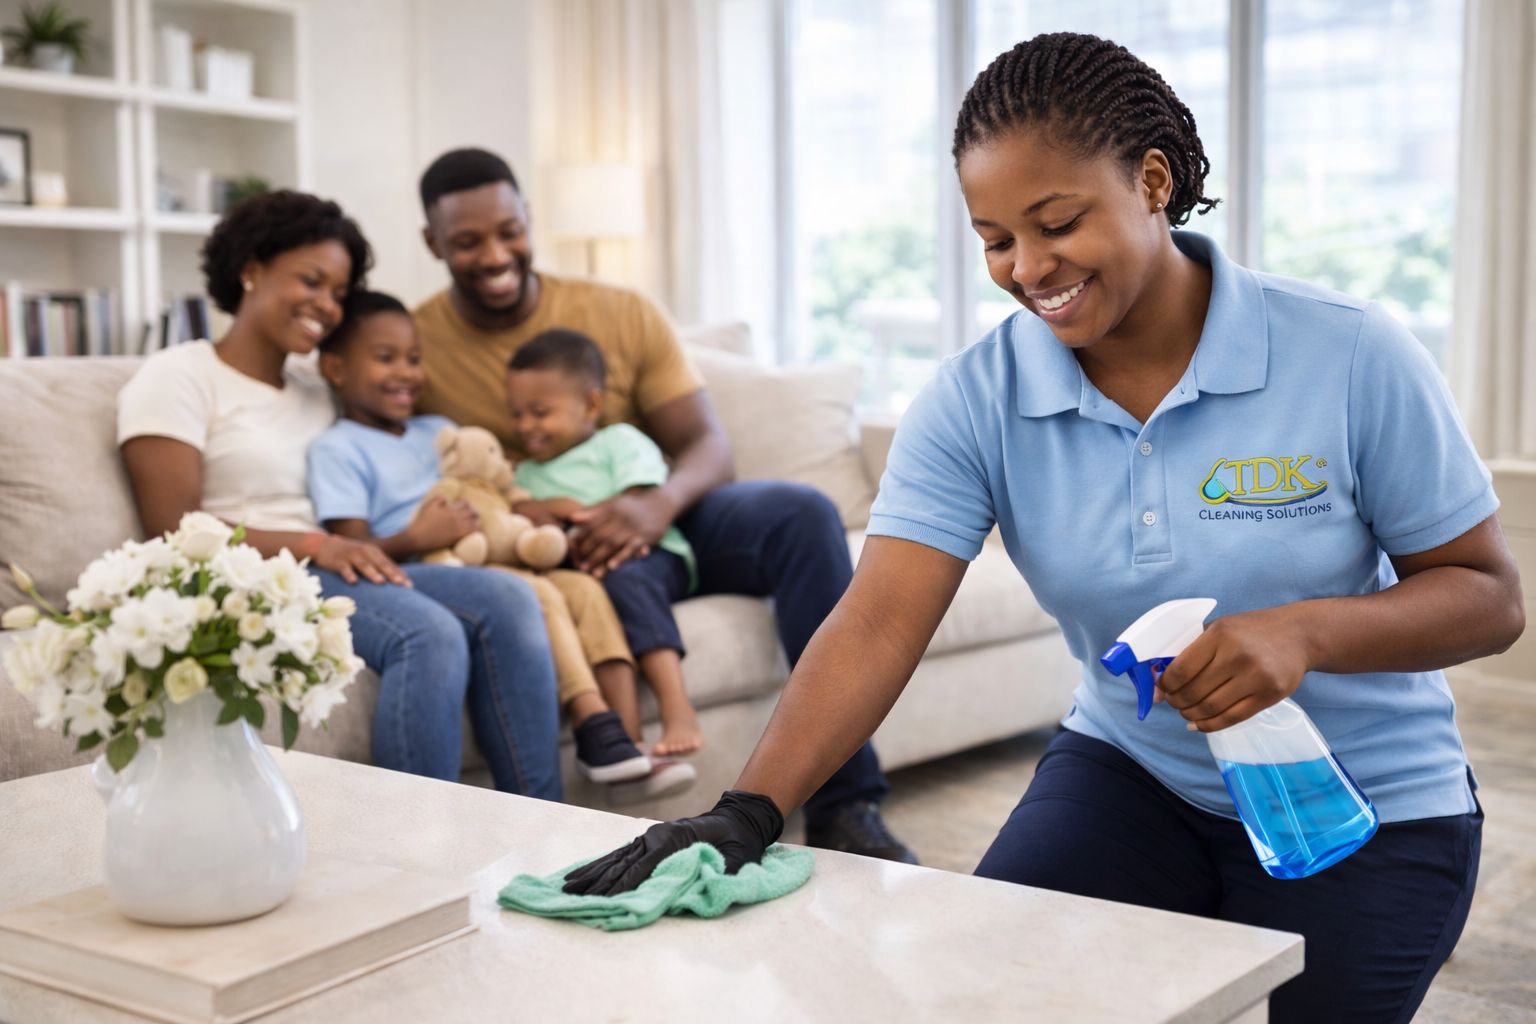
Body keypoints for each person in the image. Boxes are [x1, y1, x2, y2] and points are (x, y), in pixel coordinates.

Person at [561, 32, 1524, 1024]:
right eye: (995, 240)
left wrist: (1304, 632)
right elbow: (879, 620)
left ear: (1153, 181)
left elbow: (1489, 597)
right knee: (992, 1000)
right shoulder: (976, 398)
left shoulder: (1350, 353)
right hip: (1137, 776)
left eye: (1057, 223)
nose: (1027, 268)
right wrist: (747, 810)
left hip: (1368, 804)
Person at [411, 148, 917, 863]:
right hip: (550, 549)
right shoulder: (416, 347)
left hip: (661, 519)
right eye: (468, 241)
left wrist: (655, 506)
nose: (495, 255)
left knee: (800, 513)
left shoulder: (620, 311)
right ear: (433, 244)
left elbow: (707, 445)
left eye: (509, 231)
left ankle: (846, 806)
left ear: (529, 220)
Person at [117, 190, 563, 801]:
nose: (326, 305)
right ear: (251, 269)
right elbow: (172, 528)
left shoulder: (317, 387)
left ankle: (549, 828)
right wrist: (314, 544)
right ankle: (420, 843)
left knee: (510, 597)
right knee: (428, 633)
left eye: (338, 292)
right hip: (250, 579)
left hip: (340, 566)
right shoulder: (179, 375)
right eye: (311, 281)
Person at [305, 291, 686, 792]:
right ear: (335, 368)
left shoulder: (438, 429)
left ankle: (625, 742)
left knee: (585, 590)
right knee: (534, 595)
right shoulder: (337, 448)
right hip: (426, 564)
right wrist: (419, 536)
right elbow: (353, 548)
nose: (406, 373)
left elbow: (496, 486)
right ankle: (591, 720)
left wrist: (535, 511)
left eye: (414, 358)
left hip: (495, 552)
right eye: (386, 358)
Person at [508, 327, 704, 757]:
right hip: (584, 576)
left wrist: (576, 513)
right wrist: (540, 510)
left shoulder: (619, 442)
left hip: (650, 558)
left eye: (540, 412)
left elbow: (641, 496)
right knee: (578, 600)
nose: (525, 426)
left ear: (592, 405)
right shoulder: (525, 474)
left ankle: (677, 707)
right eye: (516, 414)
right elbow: (516, 517)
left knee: (626, 581)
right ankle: (622, 741)